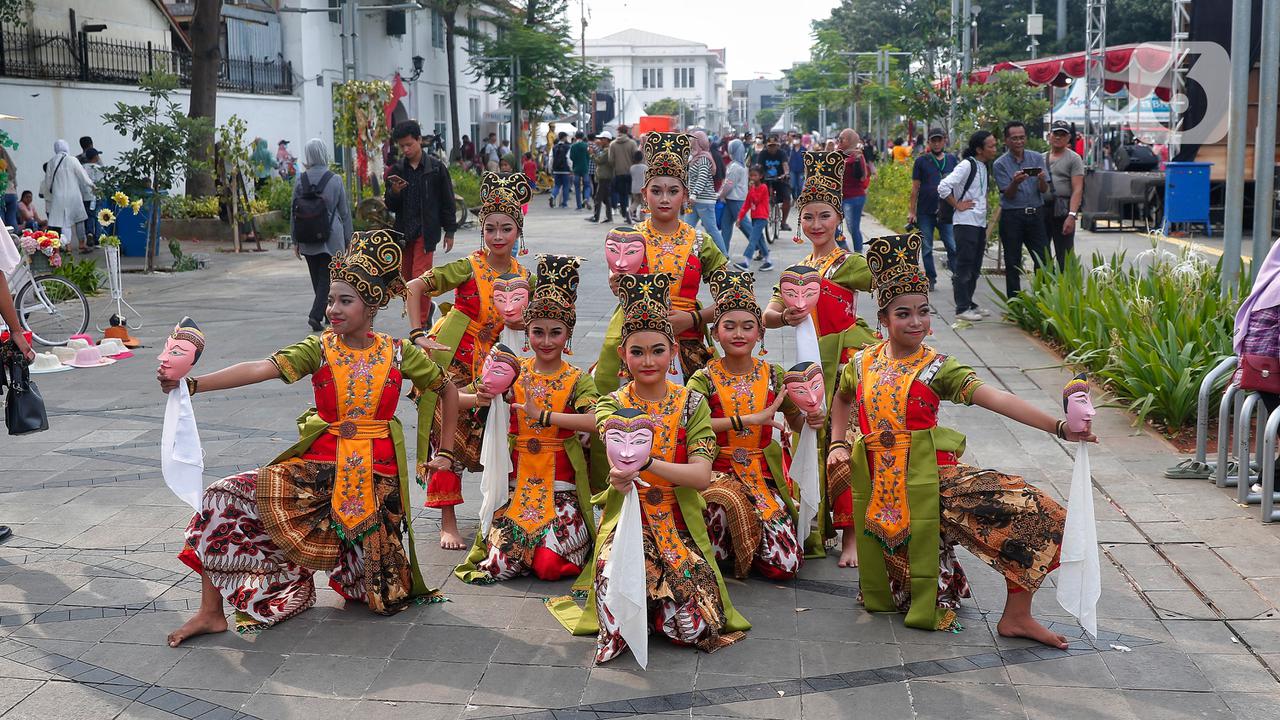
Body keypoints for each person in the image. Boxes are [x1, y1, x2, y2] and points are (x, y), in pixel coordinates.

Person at [162, 229, 461, 647]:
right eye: (329, 298)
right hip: (318, 471)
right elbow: (260, 367)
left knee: (379, 594)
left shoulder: (398, 352)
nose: (332, 308)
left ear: (371, 306)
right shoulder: (319, 347)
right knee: (221, 497)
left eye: (344, 300)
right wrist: (194, 385)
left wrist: (445, 452)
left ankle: (325, 572)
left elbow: (446, 390)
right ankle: (210, 612)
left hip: (377, 483)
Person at [827, 233, 1090, 648]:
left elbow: (996, 398)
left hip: (931, 481)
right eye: (903, 313)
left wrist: (1060, 428)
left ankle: (1017, 617)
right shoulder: (861, 362)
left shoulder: (938, 367)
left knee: (1041, 514)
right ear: (883, 318)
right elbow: (841, 399)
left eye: (923, 312)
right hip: (880, 487)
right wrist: (837, 444)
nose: (916, 322)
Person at [547, 272, 750, 664]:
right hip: (629, 525)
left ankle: (658, 608)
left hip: (676, 526)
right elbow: (616, 462)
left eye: (657, 351)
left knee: (694, 628)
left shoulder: (692, 404)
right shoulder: (610, 404)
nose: (648, 361)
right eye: (637, 352)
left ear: (674, 352)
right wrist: (622, 474)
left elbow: (701, 477)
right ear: (622, 355)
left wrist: (650, 462)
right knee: (615, 597)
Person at [404, 171, 533, 550]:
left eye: (505, 229)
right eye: (490, 228)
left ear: (518, 232)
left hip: (507, 367)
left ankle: (502, 511)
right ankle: (447, 520)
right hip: (457, 367)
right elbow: (415, 286)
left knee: (511, 436)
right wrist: (418, 335)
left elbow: (546, 320)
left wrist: (524, 321)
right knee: (449, 439)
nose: (497, 236)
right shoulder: (468, 268)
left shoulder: (527, 276)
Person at [454, 255, 598, 584]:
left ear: (568, 334)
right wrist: (476, 397)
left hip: (561, 490)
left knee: (549, 568)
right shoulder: (512, 369)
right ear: (527, 331)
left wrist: (544, 415)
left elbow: (596, 422)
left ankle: (552, 545)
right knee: (498, 568)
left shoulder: (578, 379)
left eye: (555, 333)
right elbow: (461, 397)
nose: (546, 341)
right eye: (538, 332)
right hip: (518, 490)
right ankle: (525, 548)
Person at [762, 150, 878, 561]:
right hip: (810, 360)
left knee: (844, 438)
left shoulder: (850, 264)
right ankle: (816, 528)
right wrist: (784, 316)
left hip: (846, 354)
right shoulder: (796, 271)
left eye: (824, 216)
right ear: (799, 221)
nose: (816, 225)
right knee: (810, 433)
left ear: (839, 219)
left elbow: (889, 279)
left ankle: (850, 535)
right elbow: (769, 313)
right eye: (808, 217)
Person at [688, 268, 806, 580]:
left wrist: (811, 417)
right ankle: (735, 544)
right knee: (718, 530)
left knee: (786, 565)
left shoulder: (775, 375)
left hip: (761, 477)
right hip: (716, 474)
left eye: (747, 326)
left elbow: (795, 417)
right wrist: (748, 420)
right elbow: (688, 425)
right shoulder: (703, 379)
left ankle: (750, 543)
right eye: (729, 326)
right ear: (716, 334)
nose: (738, 334)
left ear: (760, 334)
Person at [385, 120, 459, 325]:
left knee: (421, 279)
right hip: (403, 233)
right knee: (407, 280)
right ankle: (422, 316)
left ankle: (420, 324)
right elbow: (389, 205)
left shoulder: (436, 168)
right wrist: (395, 192)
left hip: (426, 233)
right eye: (402, 146)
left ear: (419, 140)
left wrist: (450, 230)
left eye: (409, 144)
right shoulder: (397, 170)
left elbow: (447, 201)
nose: (406, 149)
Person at [291, 138, 353, 332]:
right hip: (331, 238)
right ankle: (316, 315)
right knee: (329, 279)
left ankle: (326, 312)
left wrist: (295, 240)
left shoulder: (300, 179)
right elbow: (344, 212)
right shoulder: (334, 179)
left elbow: (293, 211)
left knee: (317, 280)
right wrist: (349, 238)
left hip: (306, 236)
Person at [938, 131, 998, 323]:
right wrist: (957, 204)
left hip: (978, 223)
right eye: (991, 146)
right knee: (964, 265)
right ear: (979, 149)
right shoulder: (967, 165)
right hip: (965, 222)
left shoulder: (983, 166)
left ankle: (969, 302)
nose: (994, 149)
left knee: (975, 266)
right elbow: (943, 187)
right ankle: (961, 307)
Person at [993, 120, 1051, 297]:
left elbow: (1044, 190)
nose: (1018, 141)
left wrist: (1041, 178)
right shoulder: (1000, 164)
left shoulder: (1036, 158)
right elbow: (1007, 195)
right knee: (1012, 262)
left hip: (1036, 214)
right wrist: (1015, 182)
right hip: (1012, 216)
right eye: (1014, 138)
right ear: (1006, 140)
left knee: (1043, 260)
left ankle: (1044, 299)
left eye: (1021, 137)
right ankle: (1015, 303)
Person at [908, 128, 959, 289]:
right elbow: (915, 188)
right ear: (929, 142)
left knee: (952, 245)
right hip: (925, 211)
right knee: (927, 247)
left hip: (947, 211)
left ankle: (957, 276)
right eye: (933, 140)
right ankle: (931, 278)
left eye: (939, 140)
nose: (937, 143)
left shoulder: (952, 160)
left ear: (945, 141)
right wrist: (912, 212)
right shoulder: (921, 161)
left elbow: (958, 186)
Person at [38, 140, 94, 254]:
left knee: (60, 222)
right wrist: (92, 185)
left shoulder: (51, 162)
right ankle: (82, 245)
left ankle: (65, 246)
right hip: (73, 195)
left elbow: (48, 182)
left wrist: (51, 193)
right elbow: (82, 175)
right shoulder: (72, 160)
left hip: (58, 196)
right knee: (79, 220)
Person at [1043, 120, 1085, 270]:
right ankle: (1043, 289)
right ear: (1050, 136)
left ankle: (1067, 290)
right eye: (1056, 134)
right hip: (1043, 209)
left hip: (1063, 210)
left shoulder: (1074, 158)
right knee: (1042, 254)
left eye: (1063, 135)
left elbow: (1078, 188)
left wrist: (1072, 215)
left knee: (1065, 255)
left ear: (1068, 138)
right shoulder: (1041, 158)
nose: (1059, 137)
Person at [683, 130, 728, 254]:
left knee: (711, 230)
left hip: (703, 200)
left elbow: (702, 178)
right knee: (687, 229)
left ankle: (724, 256)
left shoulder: (703, 158)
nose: (691, 142)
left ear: (698, 142)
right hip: (693, 201)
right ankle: (684, 255)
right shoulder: (694, 157)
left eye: (693, 140)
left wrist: (693, 194)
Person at [838, 129, 873, 252]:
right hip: (840, 197)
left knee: (853, 228)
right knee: (832, 225)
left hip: (854, 197)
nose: (839, 141)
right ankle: (845, 250)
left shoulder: (857, 155)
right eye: (839, 138)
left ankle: (858, 255)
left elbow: (863, 176)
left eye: (842, 139)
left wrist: (856, 162)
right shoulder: (838, 154)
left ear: (850, 140)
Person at [735, 166, 772, 271]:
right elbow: (746, 205)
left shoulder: (763, 187)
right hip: (755, 217)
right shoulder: (752, 189)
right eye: (751, 175)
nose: (752, 178)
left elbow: (756, 200)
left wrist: (752, 190)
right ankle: (768, 261)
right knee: (760, 240)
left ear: (760, 176)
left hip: (762, 217)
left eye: (755, 175)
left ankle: (746, 262)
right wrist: (739, 218)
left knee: (753, 238)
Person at [756, 137, 791, 232]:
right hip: (766, 179)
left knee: (787, 198)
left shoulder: (781, 153)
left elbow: (785, 165)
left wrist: (786, 173)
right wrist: (757, 175)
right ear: (767, 146)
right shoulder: (763, 154)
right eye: (770, 146)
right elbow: (759, 166)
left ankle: (783, 222)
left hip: (780, 179)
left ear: (777, 146)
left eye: (774, 146)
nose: (772, 148)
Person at [718, 139, 748, 250]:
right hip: (732, 199)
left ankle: (761, 248)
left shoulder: (735, 167)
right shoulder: (741, 164)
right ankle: (723, 252)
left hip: (735, 200)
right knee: (726, 227)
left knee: (745, 225)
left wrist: (720, 195)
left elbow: (729, 185)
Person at [608, 125, 639, 223]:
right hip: (631, 172)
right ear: (627, 131)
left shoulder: (613, 144)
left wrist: (616, 166)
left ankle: (624, 212)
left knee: (622, 194)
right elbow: (636, 156)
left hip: (618, 172)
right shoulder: (632, 143)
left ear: (618, 131)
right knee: (633, 194)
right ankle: (631, 212)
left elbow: (610, 160)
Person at [587, 132, 614, 223]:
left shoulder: (607, 150)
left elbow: (599, 160)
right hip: (604, 176)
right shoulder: (605, 149)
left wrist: (592, 154)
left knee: (598, 198)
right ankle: (609, 217)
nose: (600, 140)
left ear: (606, 140)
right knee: (605, 198)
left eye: (602, 139)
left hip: (604, 176)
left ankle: (596, 217)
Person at [550, 132, 572, 208]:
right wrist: (571, 168)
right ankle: (564, 203)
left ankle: (553, 195)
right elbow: (568, 159)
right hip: (565, 170)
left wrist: (551, 169)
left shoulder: (554, 147)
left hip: (556, 170)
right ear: (564, 137)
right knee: (566, 186)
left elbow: (551, 159)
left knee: (557, 185)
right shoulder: (567, 147)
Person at [570, 131, 590, 209]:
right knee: (587, 185)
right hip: (585, 168)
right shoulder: (586, 145)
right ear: (583, 137)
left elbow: (571, 157)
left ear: (575, 137)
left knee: (577, 188)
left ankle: (579, 206)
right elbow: (588, 156)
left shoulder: (573, 146)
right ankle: (586, 198)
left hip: (576, 169)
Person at [1, 145, 18, 230]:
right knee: (12, 219)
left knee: (1, 221)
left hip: (2, 193)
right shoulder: (9, 164)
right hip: (12, 193)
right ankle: (14, 240)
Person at [788, 133, 806, 203]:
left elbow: (806, 160)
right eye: (795, 139)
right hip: (792, 169)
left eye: (797, 138)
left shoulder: (803, 149)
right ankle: (794, 198)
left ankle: (798, 199)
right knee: (792, 185)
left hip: (801, 170)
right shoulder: (790, 149)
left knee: (799, 186)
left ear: (800, 140)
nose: (796, 140)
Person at [628, 150, 646, 214]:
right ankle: (642, 218)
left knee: (636, 201)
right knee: (643, 203)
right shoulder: (645, 167)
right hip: (643, 187)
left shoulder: (632, 168)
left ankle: (629, 211)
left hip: (634, 188)